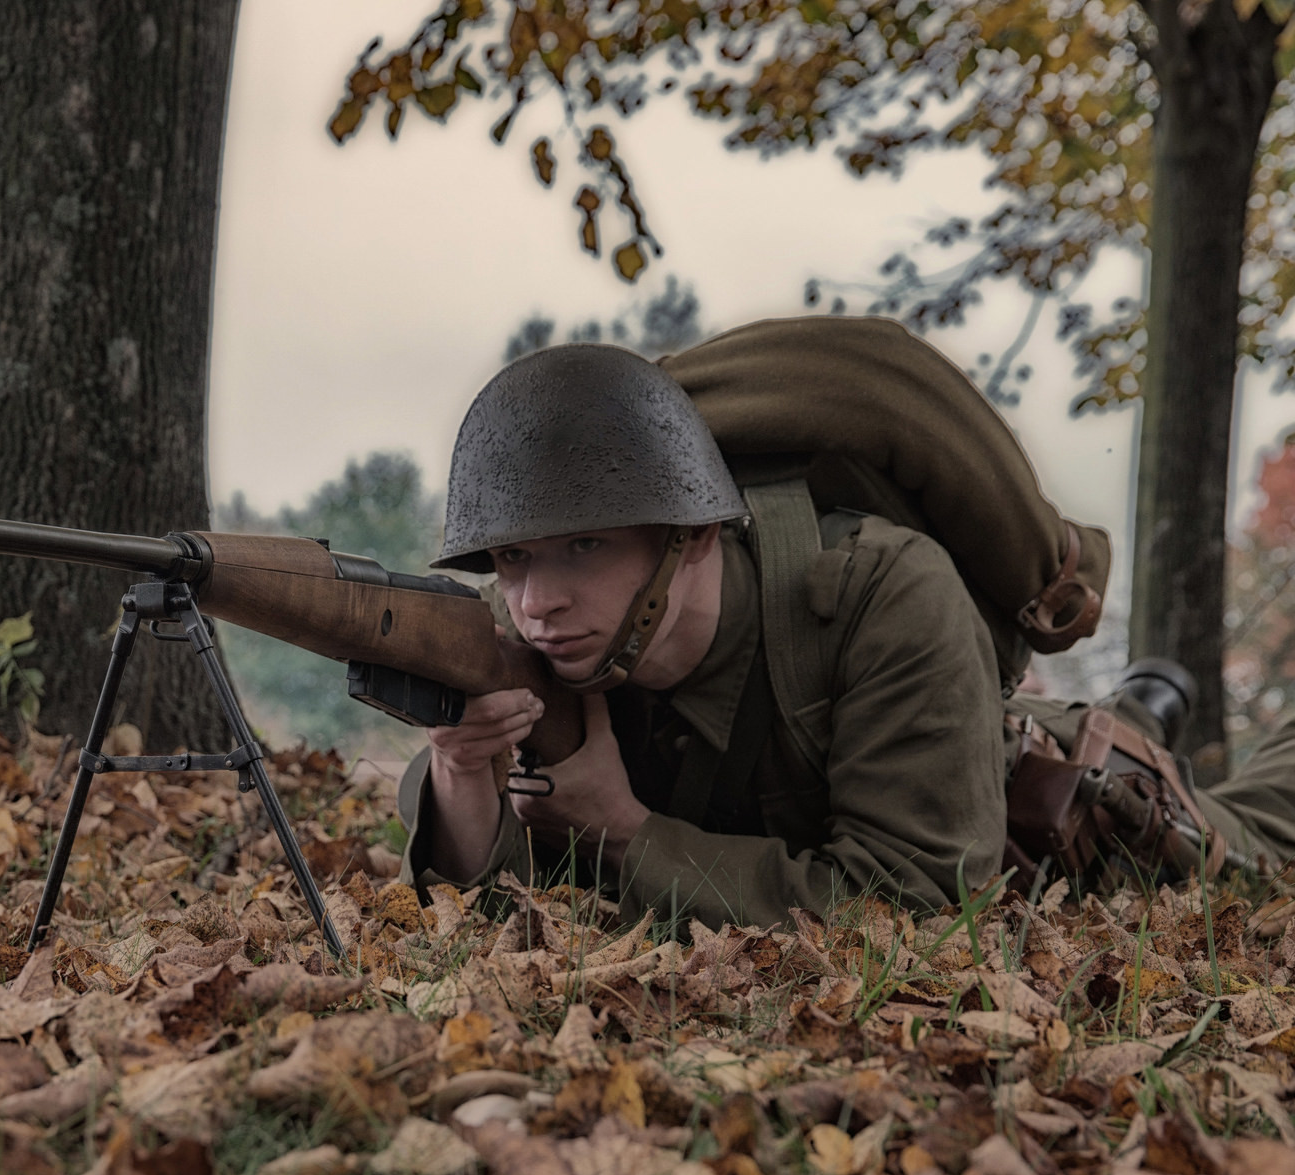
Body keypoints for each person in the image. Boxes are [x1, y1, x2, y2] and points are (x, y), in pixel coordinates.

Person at [396, 338, 1292, 929]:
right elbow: (508, 899)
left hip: (1078, 817)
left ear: (694, 534)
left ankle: (1146, 712)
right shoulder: (557, 647)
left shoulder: (880, 594)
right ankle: (1150, 697)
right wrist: (460, 774)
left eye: (583, 548)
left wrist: (626, 831)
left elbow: (924, 913)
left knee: (1269, 835)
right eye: (510, 560)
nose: (535, 603)